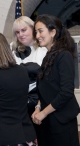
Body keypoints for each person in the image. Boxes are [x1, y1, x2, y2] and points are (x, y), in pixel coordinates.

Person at [32, 14, 80, 146]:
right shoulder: (48, 56)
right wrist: (38, 107)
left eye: (40, 31)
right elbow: (45, 89)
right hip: (48, 121)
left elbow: (66, 92)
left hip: (62, 122)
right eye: (36, 32)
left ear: (53, 32)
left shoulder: (64, 55)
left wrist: (43, 113)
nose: (37, 36)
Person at [11, 16, 47, 141]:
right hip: (18, 106)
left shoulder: (44, 50)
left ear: (33, 29)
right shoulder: (12, 51)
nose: (20, 34)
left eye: (23, 30)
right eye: (17, 32)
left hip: (40, 104)